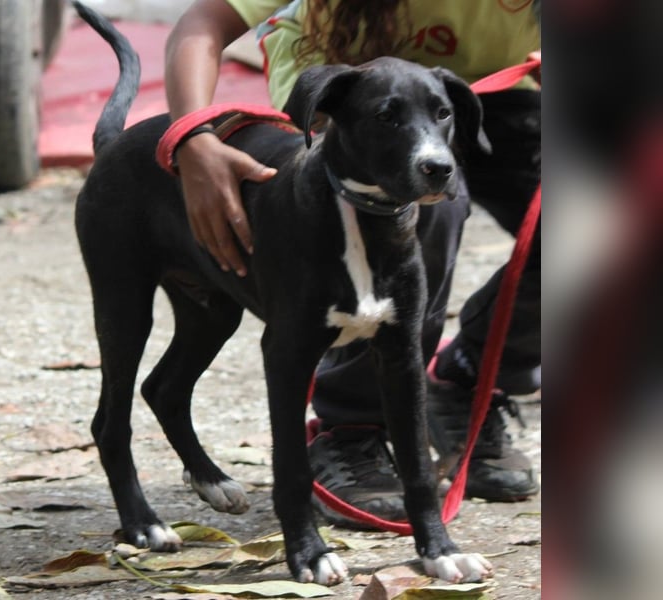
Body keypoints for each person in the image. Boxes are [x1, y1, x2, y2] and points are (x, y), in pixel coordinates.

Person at [164, 0, 541, 528]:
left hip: (481, 95)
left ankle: (464, 378)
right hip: (349, 100)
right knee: (416, 212)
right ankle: (353, 427)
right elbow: (204, 24)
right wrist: (191, 137)